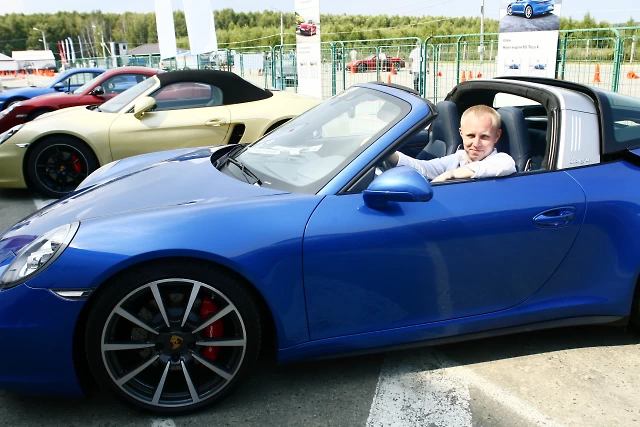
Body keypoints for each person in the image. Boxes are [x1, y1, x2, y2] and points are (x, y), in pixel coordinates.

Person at [387, 105, 516, 183]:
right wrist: (388, 153)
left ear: (497, 136)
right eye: (470, 136)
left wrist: (449, 175)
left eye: (484, 137)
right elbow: (424, 168)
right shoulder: (459, 157)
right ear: (461, 133)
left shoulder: (501, 160)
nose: (476, 143)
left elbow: (505, 166)